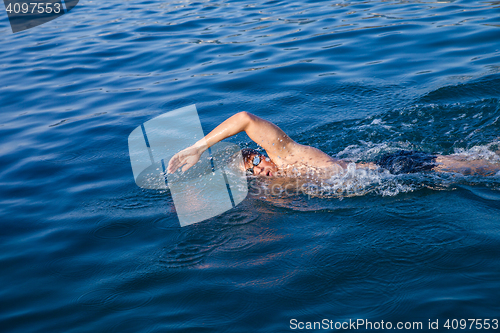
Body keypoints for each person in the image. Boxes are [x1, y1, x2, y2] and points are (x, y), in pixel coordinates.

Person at [167, 112, 500, 177]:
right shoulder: (279, 184)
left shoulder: (284, 154)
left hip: (393, 170)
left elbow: (245, 120)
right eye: (250, 175)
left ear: (258, 154)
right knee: (479, 163)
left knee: (480, 168)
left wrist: (198, 147)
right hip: (391, 174)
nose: (259, 174)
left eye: (255, 165)